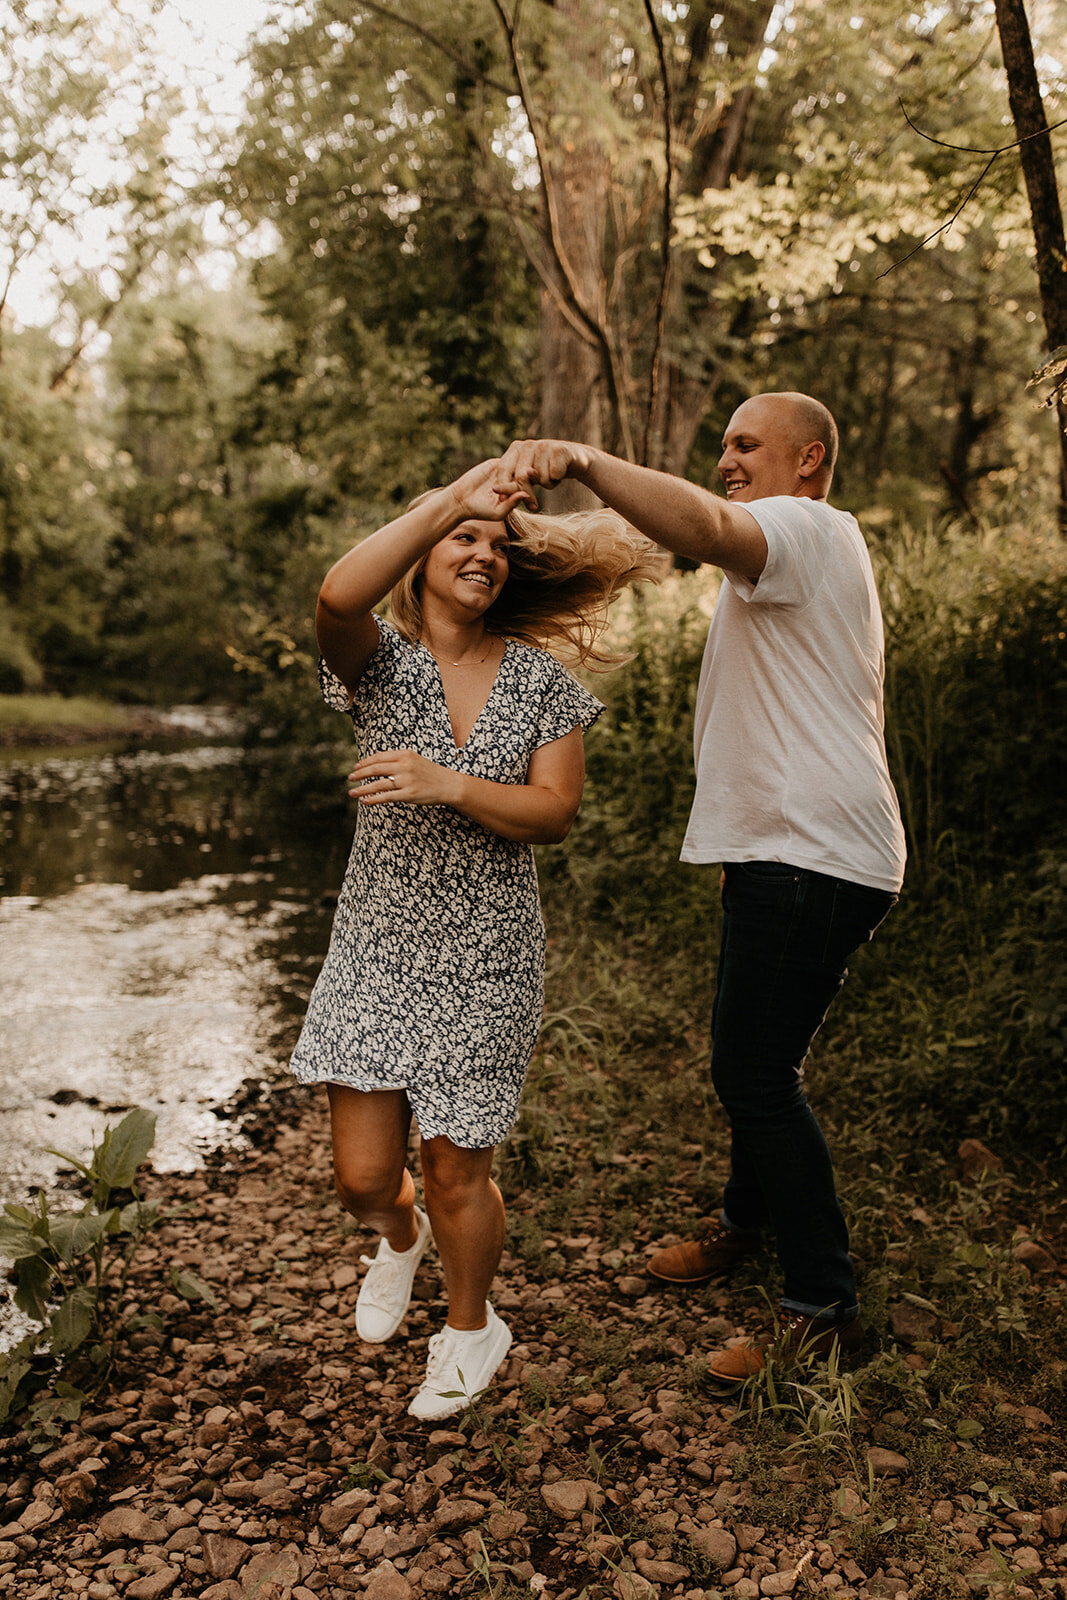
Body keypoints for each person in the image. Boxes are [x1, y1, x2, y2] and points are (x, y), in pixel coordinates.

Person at [493, 392, 906, 1382]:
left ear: (807, 461)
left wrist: (585, 458)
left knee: (753, 1075)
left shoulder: (801, 527)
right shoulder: (802, 548)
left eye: (743, 445)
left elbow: (710, 526)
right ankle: (743, 1223)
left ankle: (823, 1309)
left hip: (810, 856)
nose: (725, 461)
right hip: (788, 852)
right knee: (758, 1061)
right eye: (720, 446)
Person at [289, 458, 662, 1419]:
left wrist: (447, 782)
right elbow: (337, 592)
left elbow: (554, 812)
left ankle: (469, 1328)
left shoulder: (543, 683)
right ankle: (399, 1239)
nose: (484, 555)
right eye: (465, 539)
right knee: (364, 1177)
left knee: (458, 1164)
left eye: (499, 548)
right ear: (421, 557)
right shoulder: (377, 664)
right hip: (375, 944)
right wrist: (449, 501)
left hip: (487, 952)